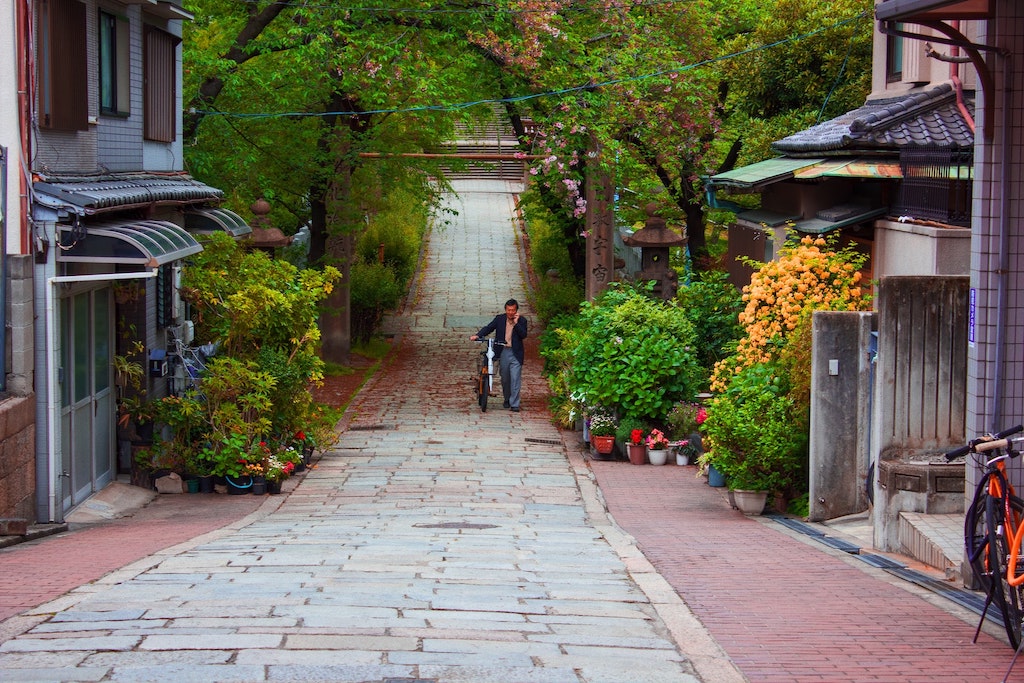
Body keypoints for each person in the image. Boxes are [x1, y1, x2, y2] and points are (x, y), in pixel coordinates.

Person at [470, 299, 528, 412]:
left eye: (513, 310)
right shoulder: (500, 319)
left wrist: (516, 323)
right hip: (503, 351)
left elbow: (523, 335)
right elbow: (489, 327)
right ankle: (507, 398)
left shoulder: (522, 321)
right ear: (505, 310)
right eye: (508, 310)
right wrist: (478, 335)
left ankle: (514, 403)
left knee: (515, 378)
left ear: (516, 310)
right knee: (505, 378)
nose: (511, 312)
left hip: (515, 352)